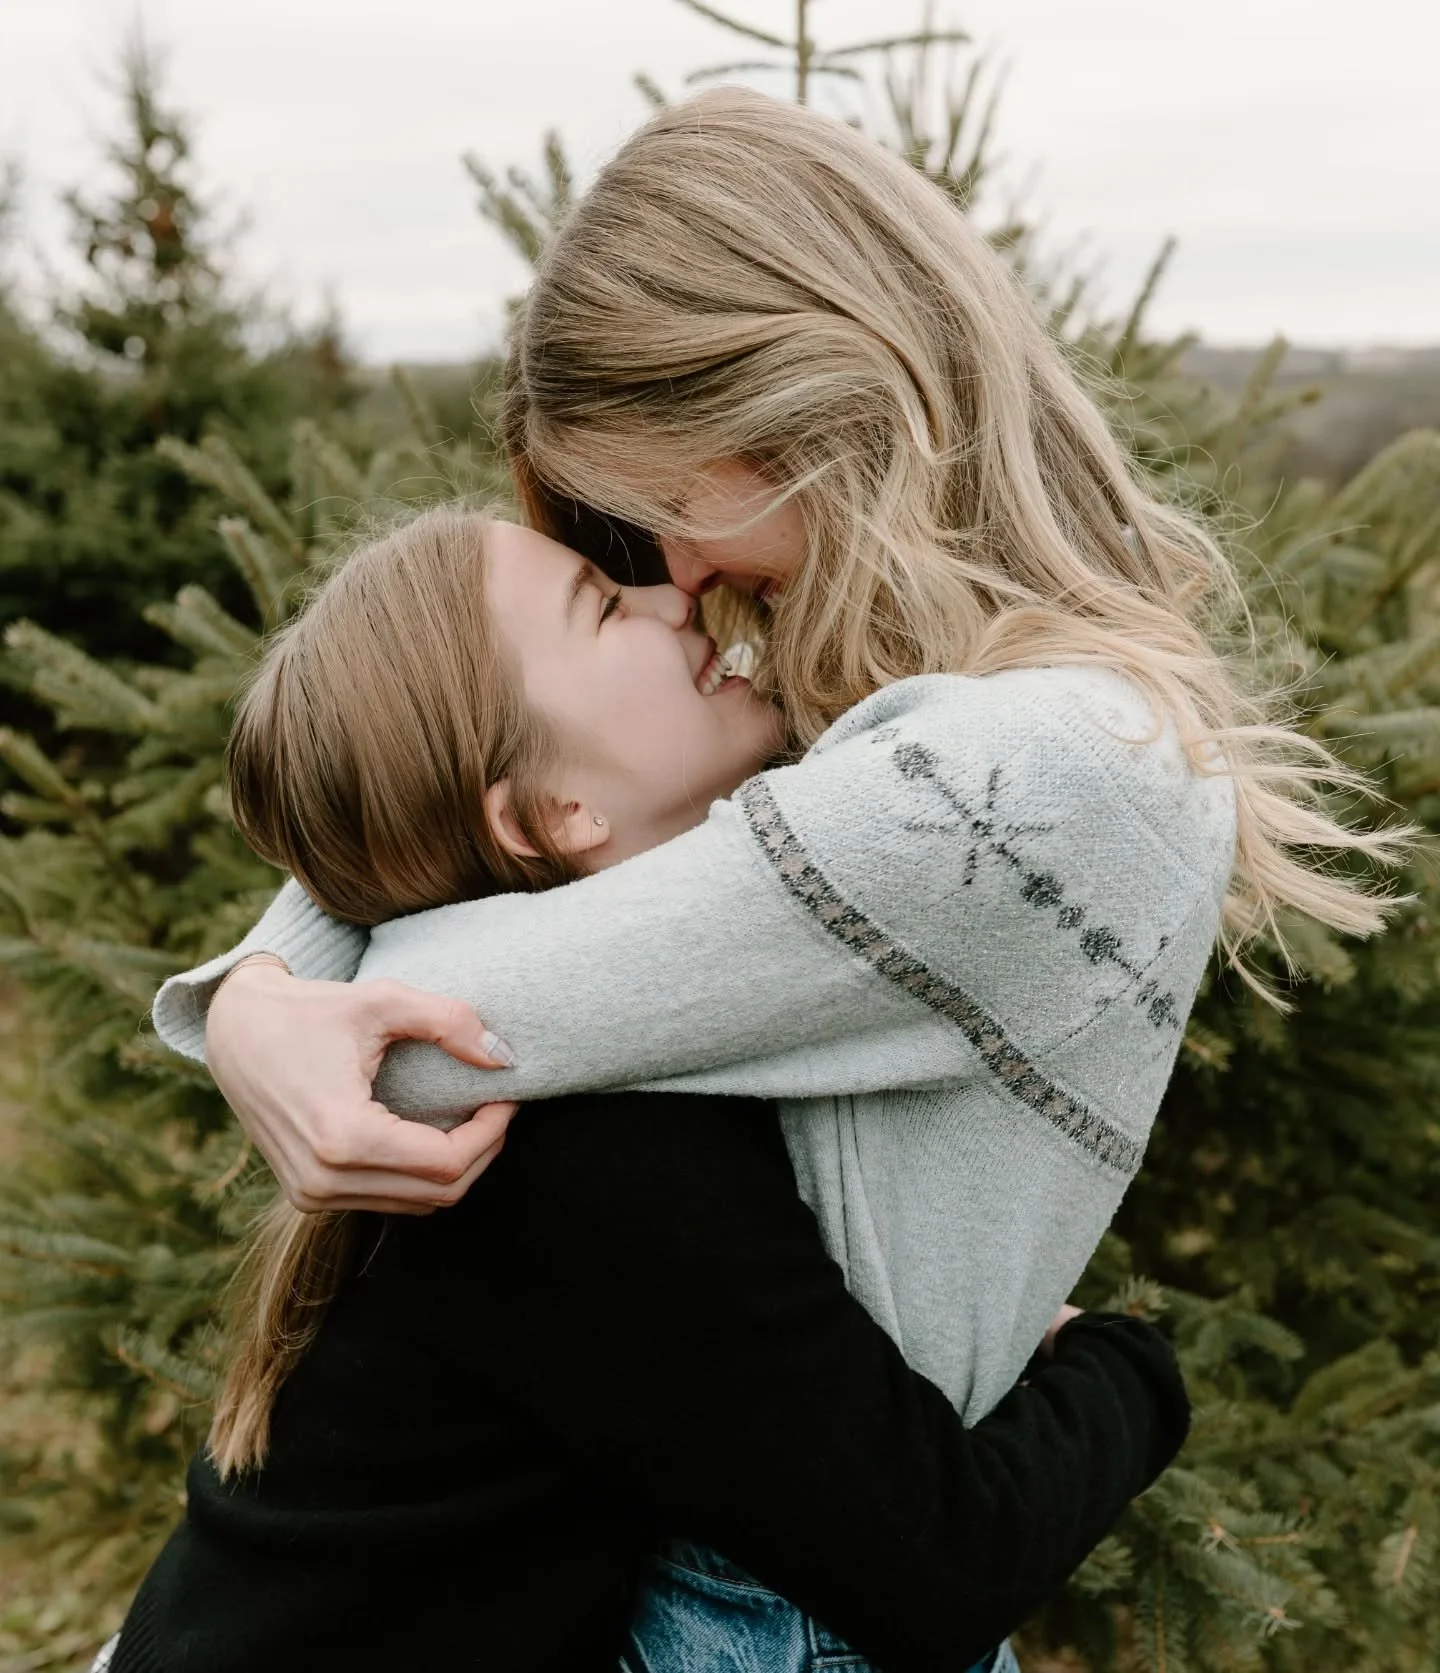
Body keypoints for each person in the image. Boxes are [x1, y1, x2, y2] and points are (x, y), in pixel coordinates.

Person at [149, 88, 1402, 1666]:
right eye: (620, 566)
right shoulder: (914, 720)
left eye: (669, 512)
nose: (677, 583)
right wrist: (262, 992)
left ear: (815, 402)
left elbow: (427, 1015)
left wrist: (266, 1007)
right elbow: (457, 909)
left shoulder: (991, 779)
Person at [104, 509, 1192, 1673]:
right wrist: (1128, 1370)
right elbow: (941, 1562)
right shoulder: (585, 1147)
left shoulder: (559, 1019)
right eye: (604, 606)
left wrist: (251, 994)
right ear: (553, 813)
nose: (677, 598)